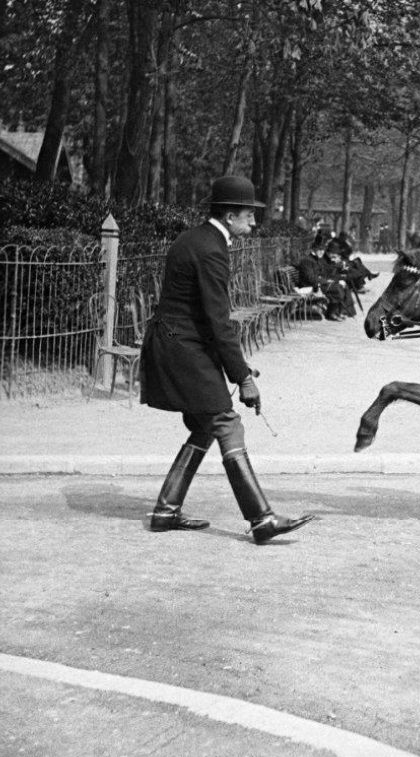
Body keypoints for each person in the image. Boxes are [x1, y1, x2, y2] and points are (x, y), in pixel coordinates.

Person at [140, 175, 316, 543]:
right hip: (183, 348)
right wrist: (243, 378)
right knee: (226, 422)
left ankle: (165, 510)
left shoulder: (195, 239)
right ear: (231, 215)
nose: (253, 222)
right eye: (249, 215)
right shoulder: (211, 250)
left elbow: (204, 318)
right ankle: (261, 519)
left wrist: (237, 368)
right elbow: (219, 322)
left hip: (177, 345)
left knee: (205, 425)